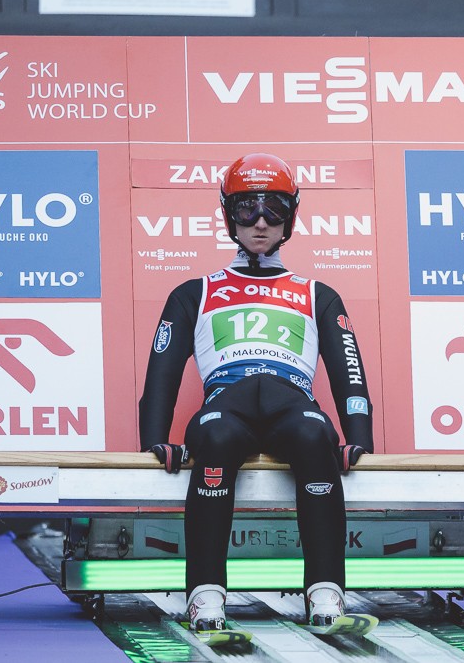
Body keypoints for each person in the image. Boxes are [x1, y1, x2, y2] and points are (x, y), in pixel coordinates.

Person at [138, 153, 374, 632]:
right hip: (227, 404)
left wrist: (358, 438)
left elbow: (349, 370)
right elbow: (161, 375)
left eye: (275, 209)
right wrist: (154, 441)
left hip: (292, 403)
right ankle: (205, 597)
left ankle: (326, 593)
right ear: (229, 215)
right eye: (247, 209)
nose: (261, 221)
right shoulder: (194, 292)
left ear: (292, 216)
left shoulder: (317, 293)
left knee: (315, 437)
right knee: (216, 438)